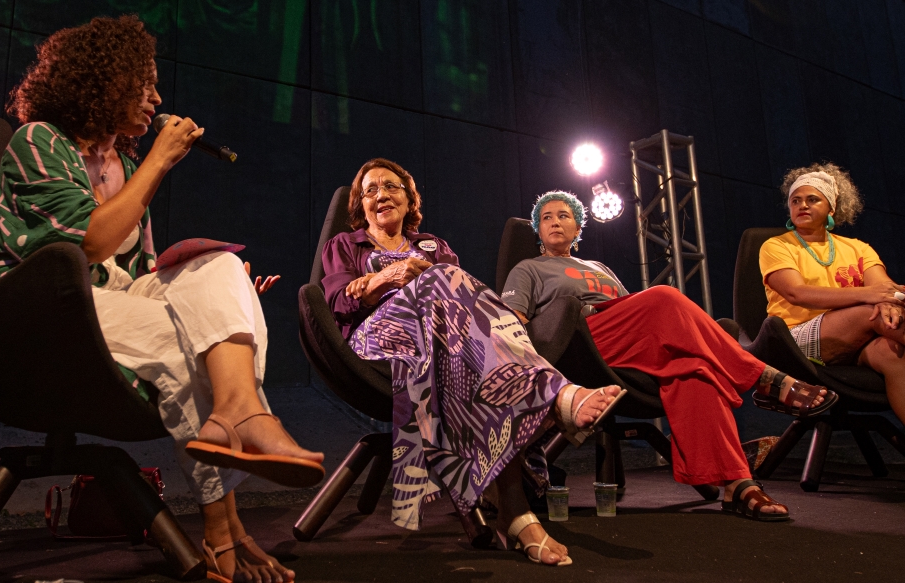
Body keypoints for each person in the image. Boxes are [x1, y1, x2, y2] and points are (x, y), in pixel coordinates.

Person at [0, 15, 322, 583]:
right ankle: (224, 528)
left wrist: (223, 294)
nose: (157, 99)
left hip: (110, 302)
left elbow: (137, 270)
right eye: (143, 87)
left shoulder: (124, 165)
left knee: (223, 269)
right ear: (101, 83)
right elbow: (91, 243)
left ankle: (239, 415)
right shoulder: (39, 140)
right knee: (182, 338)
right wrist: (161, 161)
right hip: (39, 304)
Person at [323, 158, 626, 568]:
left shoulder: (432, 243)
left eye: (391, 186)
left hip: (441, 343)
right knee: (443, 287)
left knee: (481, 368)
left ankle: (517, 515)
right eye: (370, 190)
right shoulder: (345, 246)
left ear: (409, 197)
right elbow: (336, 303)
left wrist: (423, 273)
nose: (381, 195)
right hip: (378, 342)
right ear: (360, 204)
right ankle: (556, 396)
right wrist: (387, 278)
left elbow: (461, 300)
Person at [500, 191, 837, 522]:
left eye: (564, 216)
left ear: (578, 229)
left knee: (693, 370)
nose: (555, 222)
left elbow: (635, 310)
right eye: (547, 218)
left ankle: (738, 485)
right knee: (663, 298)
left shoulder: (598, 267)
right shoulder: (528, 268)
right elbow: (515, 325)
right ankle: (764, 377)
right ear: (538, 230)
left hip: (625, 342)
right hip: (579, 342)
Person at [760, 164, 905, 420]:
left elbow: (882, 288)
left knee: (891, 352)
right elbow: (796, 293)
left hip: (855, 334)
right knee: (868, 311)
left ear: (831, 208)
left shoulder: (858, 248)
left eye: (812, 199)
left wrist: (889, 302)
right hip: (794, 340)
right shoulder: (776, 245)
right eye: (796, 201)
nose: (802, 205)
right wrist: (871, 296)